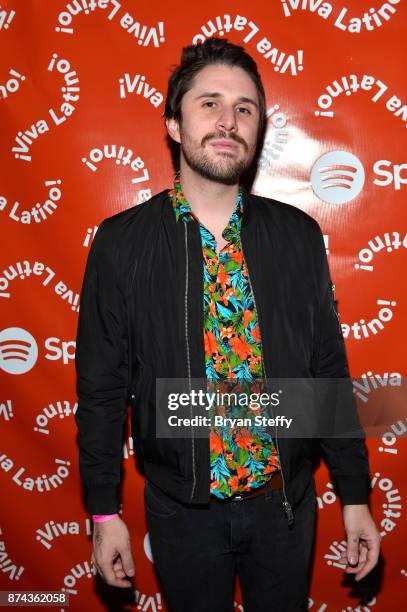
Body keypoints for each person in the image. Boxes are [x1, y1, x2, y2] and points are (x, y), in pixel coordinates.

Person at [74, 37, 381, 612]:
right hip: (179, 511)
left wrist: (355, 496)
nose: (228, 120)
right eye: (209, 103)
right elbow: (102, 391)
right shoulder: (121, 244)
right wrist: (104, 511)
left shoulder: (297, 236)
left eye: (245, 108)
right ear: (174, 124)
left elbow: (326, 370)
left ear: (259, 128)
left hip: (283, 507)